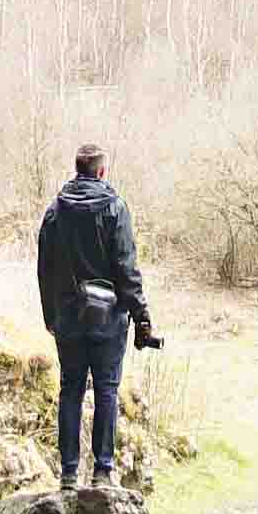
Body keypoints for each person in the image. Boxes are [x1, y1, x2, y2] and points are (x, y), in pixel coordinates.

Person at [36, 141, 158, 491]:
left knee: (70, 390)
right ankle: (102, 472)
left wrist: (51, 317)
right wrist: (142, 315)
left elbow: (45, 270)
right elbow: (126, 268)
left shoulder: (55, 212)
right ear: (102, 171)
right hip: (109, 318)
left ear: (78, 170)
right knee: (106, 391)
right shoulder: (116, 209)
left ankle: (68, 474)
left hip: (68, 317)